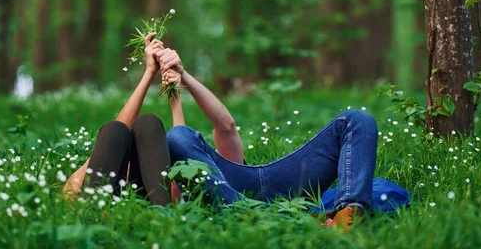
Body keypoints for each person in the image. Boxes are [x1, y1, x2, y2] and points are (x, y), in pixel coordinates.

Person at [155, 48, 379, 230]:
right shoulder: (183, 193)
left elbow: (226, 125)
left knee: (356, 120)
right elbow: (182, 162)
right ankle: (253, 215)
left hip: (272, 184)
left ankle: (348, 217)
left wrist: (184, 76)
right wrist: (174, 104)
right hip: (233, 201)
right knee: (176, 136)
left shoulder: (224, 163)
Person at [62, 33, 172, 206]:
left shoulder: (149, 163)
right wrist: (149, 72)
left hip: (146, 201)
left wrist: (175, 98)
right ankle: (93, 212)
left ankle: (161, 215)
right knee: (115, 130)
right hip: (103, 202)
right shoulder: (111, 150)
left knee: (148, 123)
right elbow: (120, 127)